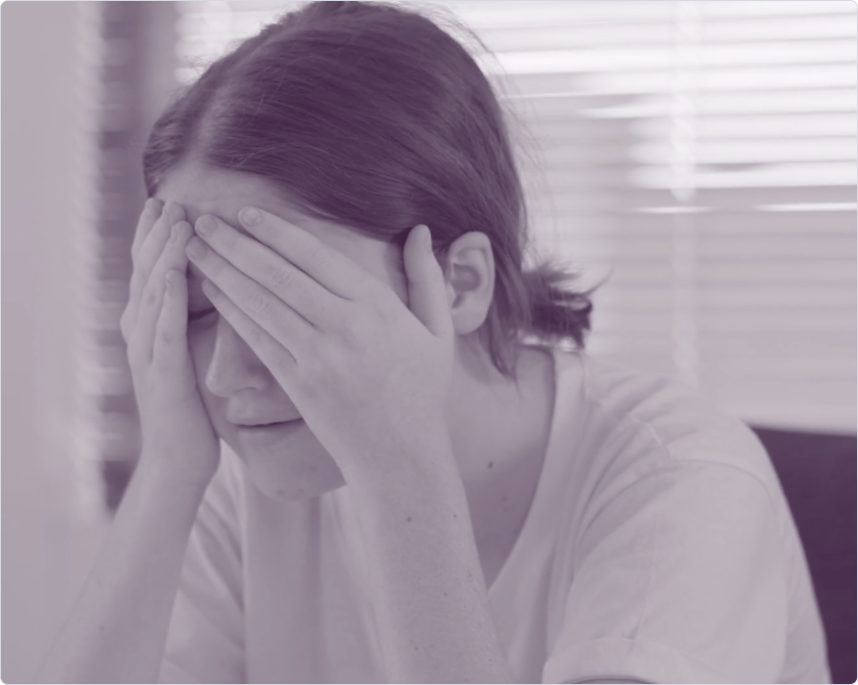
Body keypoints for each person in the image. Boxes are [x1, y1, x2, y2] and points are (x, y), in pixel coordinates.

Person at [37, 2, 830, 683]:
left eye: (288, 301)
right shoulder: (248, 480)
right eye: (199, 308)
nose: (226, 374)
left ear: (458, 283)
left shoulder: (684, 485)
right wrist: (169, 472)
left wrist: (398, 462)